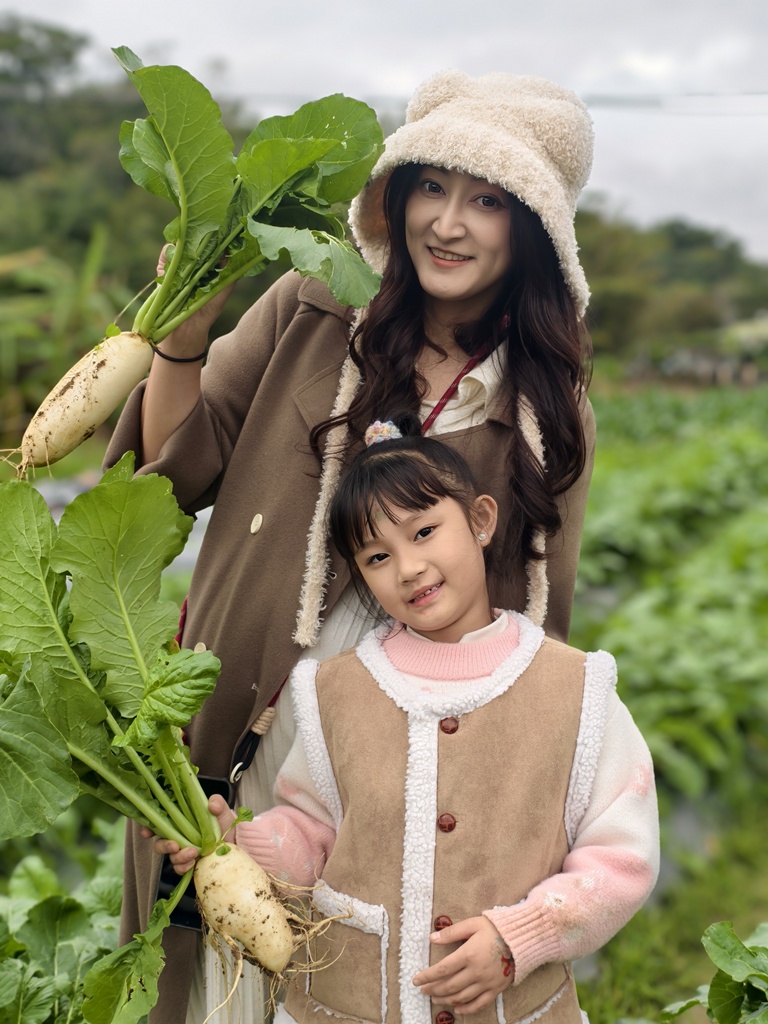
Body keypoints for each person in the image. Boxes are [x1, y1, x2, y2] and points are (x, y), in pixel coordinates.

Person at [105, 69, 598, 1023]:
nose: (447, 224)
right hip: (243, 720)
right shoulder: (314, 304)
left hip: (399, 761)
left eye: (487, 201)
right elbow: (171, 473)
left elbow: (541, 625)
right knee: (209, 979)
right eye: (431, 187)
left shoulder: (547, 406)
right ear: (396, 194)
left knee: (353, 983)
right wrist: (181, 341)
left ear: (531, 226)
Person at [167, 421, 660, 1023]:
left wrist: (519, 938)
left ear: (481, 520)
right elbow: (313, 833)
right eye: (377, 556)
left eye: (424, 532)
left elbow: (621, 857)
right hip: (347, 1006)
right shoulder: (335, 690)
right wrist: (238, 845)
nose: (408, 567)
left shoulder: (576, 688)